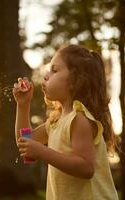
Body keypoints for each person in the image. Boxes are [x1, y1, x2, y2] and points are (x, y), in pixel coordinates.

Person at [13, 44, 119, 200]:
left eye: (54, 70)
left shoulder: (79, 118)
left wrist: (42, 152)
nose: (46, 76)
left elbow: (86, 168)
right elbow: (25, 142)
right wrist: (23, 105)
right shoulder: (56, 121)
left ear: (75, 80)